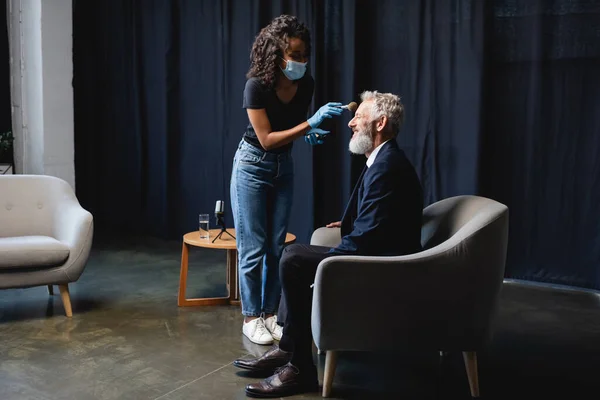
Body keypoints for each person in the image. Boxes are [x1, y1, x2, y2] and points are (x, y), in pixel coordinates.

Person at [234, 90, 424, 398]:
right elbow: (377, 217)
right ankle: (289, 350)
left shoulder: (388, 165)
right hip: (377, 252)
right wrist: (349, 224)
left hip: (386, 267)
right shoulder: (382, 158)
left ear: (380, 123)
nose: (350, 124)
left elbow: (371, 237)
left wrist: (331, 260)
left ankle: (300, 370)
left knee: (294, 259)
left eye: (358, 117)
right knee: (295, 255)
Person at [230, 14, 344, 346]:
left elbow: (290, 128)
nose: (301, 61)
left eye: (304, 54)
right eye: (294, 55)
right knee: (253, 247)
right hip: (252, 165)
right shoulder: (256, 86)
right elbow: (266, 138)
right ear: (277, 55)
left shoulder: (304, 84)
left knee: (277, 247)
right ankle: (251, 317)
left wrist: (309, 133)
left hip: (283, 167)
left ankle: (268, 315)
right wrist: (310, 124)